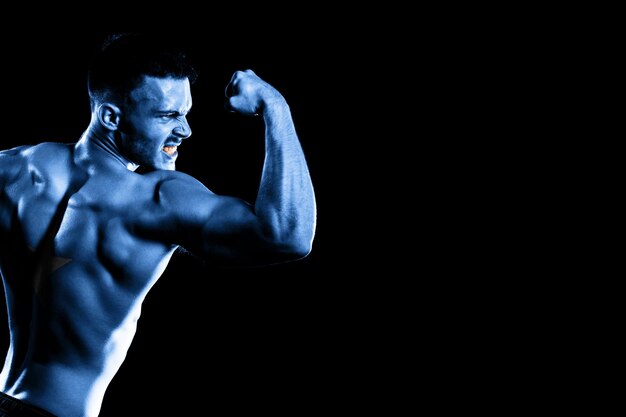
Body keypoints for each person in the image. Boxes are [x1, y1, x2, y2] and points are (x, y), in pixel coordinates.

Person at [0, 33, 316, 417]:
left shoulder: (15, 168)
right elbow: (288, 235)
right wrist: (275, 107)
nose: (185, 131)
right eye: (167, 116)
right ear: (111, 117)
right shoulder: (156, 199)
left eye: (185, 114)